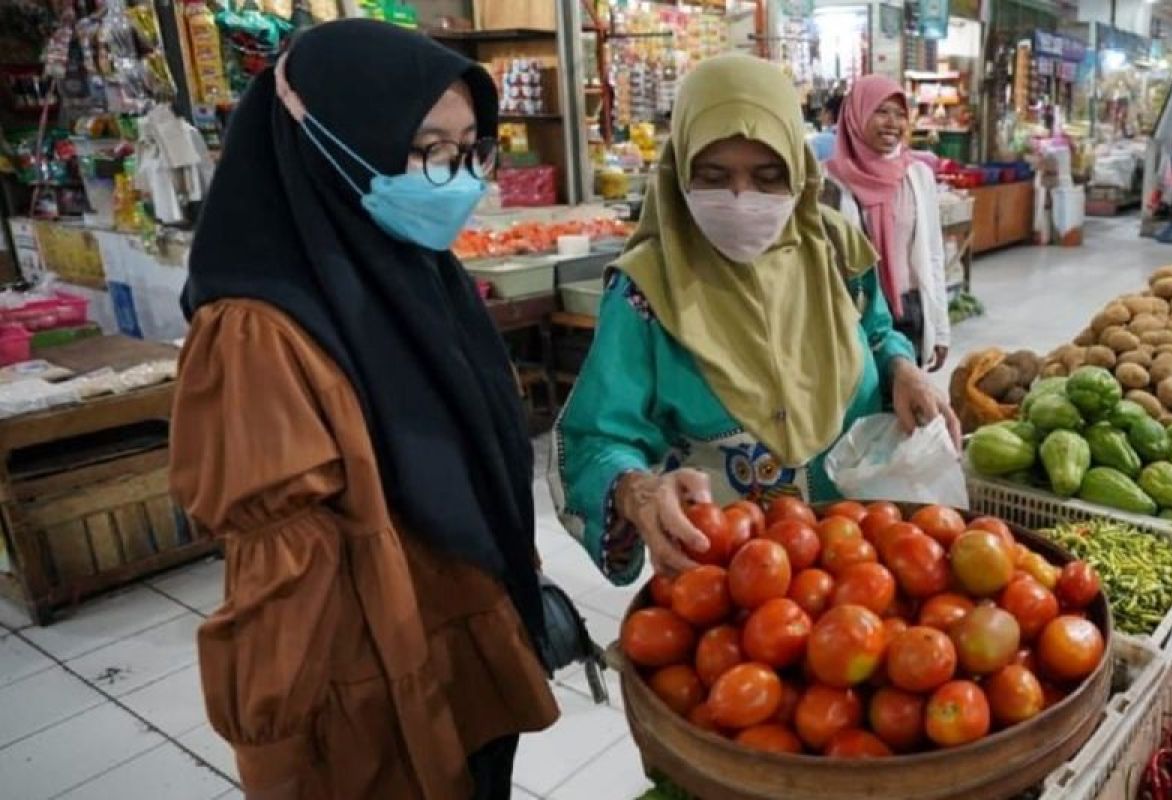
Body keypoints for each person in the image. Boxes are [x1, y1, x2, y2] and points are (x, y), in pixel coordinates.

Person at [168, 21, 557, 800]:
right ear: (330, 141)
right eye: (423, 150)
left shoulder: (411, 272)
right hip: (374, 699)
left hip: (456, 644)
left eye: (468, 149)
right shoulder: (257, 336)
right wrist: (283, 760)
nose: (454, 179)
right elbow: (281, 592)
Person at [550, 55, 959, 581]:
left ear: (799, 168)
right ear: (679, 173)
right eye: (714, 178)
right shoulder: (646, 289)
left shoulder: (833, 246)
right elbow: (595, 438)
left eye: (769, 177)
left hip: (856, 558)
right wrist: (638, 491)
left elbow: (876, 330)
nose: (742, 200)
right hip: (730, 575)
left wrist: (902, 367)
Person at [824, 75, 950, 372]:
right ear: (856, 115)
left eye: (900, 113)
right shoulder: (829, 181)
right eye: (881, 112)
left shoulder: (917, 175)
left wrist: (940, 327)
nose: (892, 123)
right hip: (854, 316)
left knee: (907, 408)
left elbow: (933, 254)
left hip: (909, 311)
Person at [807, 93, 843, 162]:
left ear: (829, 114)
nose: (820, 116)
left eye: (822, 111)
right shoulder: (855, 140)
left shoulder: (819, 141)